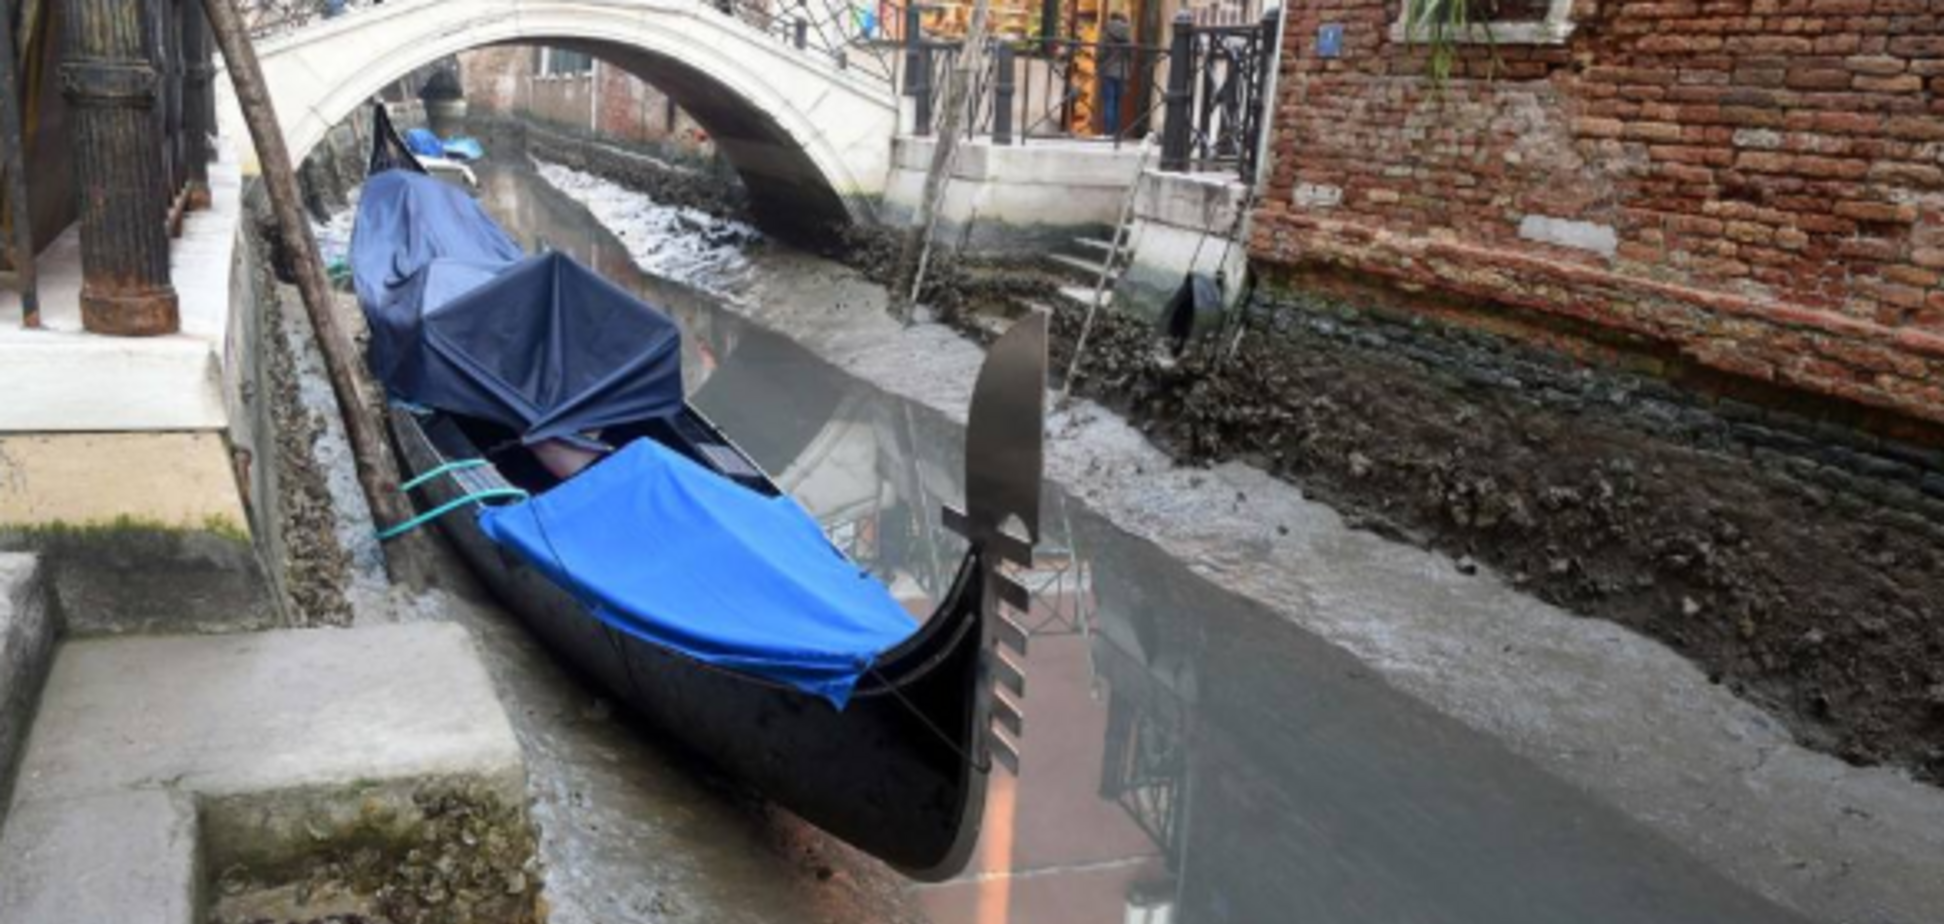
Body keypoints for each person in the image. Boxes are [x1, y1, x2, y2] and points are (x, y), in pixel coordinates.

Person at [1098, 9, 1134, 137]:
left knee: (1109, 102)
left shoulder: (1106, 34)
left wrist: (1100, 64)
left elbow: (1100, 54)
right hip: (1123, 73)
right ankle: (1116, 134)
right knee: (1118, 103)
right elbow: (1131, 55)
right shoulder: (1128, 35)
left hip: (1108, 72)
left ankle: (1108, 132)